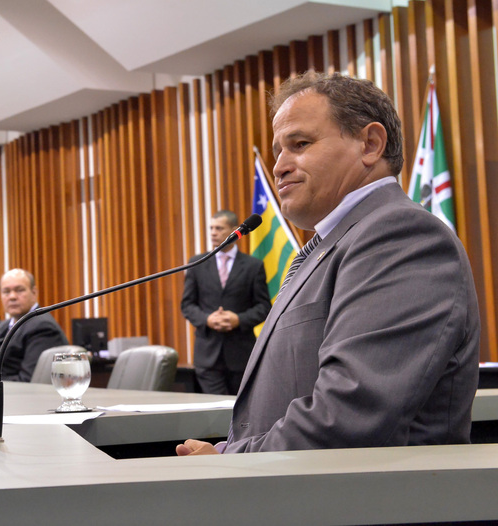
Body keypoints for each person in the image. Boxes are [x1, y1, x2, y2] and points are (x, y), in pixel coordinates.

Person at [177, 72, 479, 456]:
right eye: (278, 151)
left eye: (300, 144)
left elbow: (350, 415)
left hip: (357, 494)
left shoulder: (401, 236)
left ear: (370, 144)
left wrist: (227, 459)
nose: (279, 166)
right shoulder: (334, 243)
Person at [181, 210, 271, 395]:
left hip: (241, 354)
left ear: (234, 230)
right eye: (211, 228)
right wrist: (207, 319)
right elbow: (187, 305)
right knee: (217, 408)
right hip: (207, 356)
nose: (213, 233)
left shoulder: (253, 266)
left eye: (219, 228)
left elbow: (264, 307)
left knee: (239, 407)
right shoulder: (197, 263)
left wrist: (238, 319)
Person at [0, 268, 68, 382]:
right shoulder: (2, 326)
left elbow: (28, 380)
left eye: (19, 290)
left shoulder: (43, 327)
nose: (12, 297)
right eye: (6, 292)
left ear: (34, 293)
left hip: (17, 392)